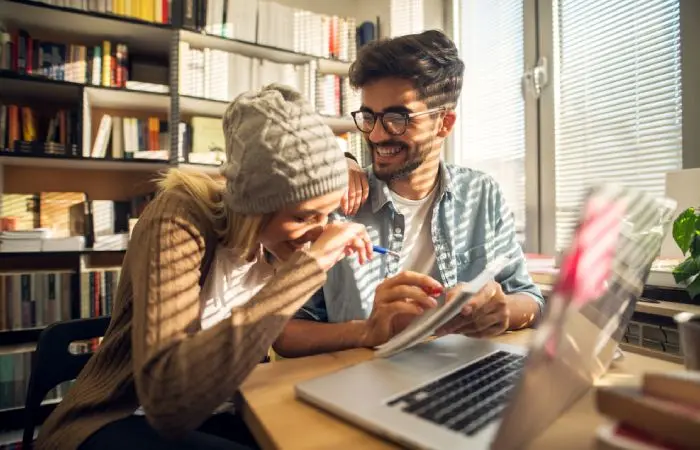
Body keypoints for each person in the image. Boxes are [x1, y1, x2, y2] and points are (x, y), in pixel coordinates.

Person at [35, 84, 373, 450]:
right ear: (255, 204)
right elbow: (167, 401)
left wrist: (371, 329)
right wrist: (307, 270)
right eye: (304, 216)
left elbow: (276, 338)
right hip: (117, 418)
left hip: (228, 412)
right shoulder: (179, 214)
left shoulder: (272, 246)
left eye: (326, 213)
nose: (320, 230)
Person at [273, 30, 544, 358]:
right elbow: (284, 333)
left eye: (396, 119)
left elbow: (529, 299)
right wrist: (368, 331)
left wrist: (502, 312)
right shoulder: (338, 204)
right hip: (360, 381)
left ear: (444, 123)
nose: (375, 134)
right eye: (369, 116)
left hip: (458, 372)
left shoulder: (482, 194)